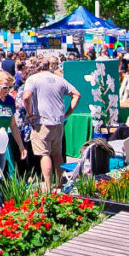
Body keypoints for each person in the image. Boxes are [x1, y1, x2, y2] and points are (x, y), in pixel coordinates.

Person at [22, 57, 80, 193]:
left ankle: (48, 187)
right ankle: (59, 184)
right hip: (58, 122)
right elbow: (77, 95)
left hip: (41, 122)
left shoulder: (33, 79)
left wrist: (30, 114)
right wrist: (68, 113)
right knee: (57, 154)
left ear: (37, 67)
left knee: (44, 154)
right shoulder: (59, 79)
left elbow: (26, 97)